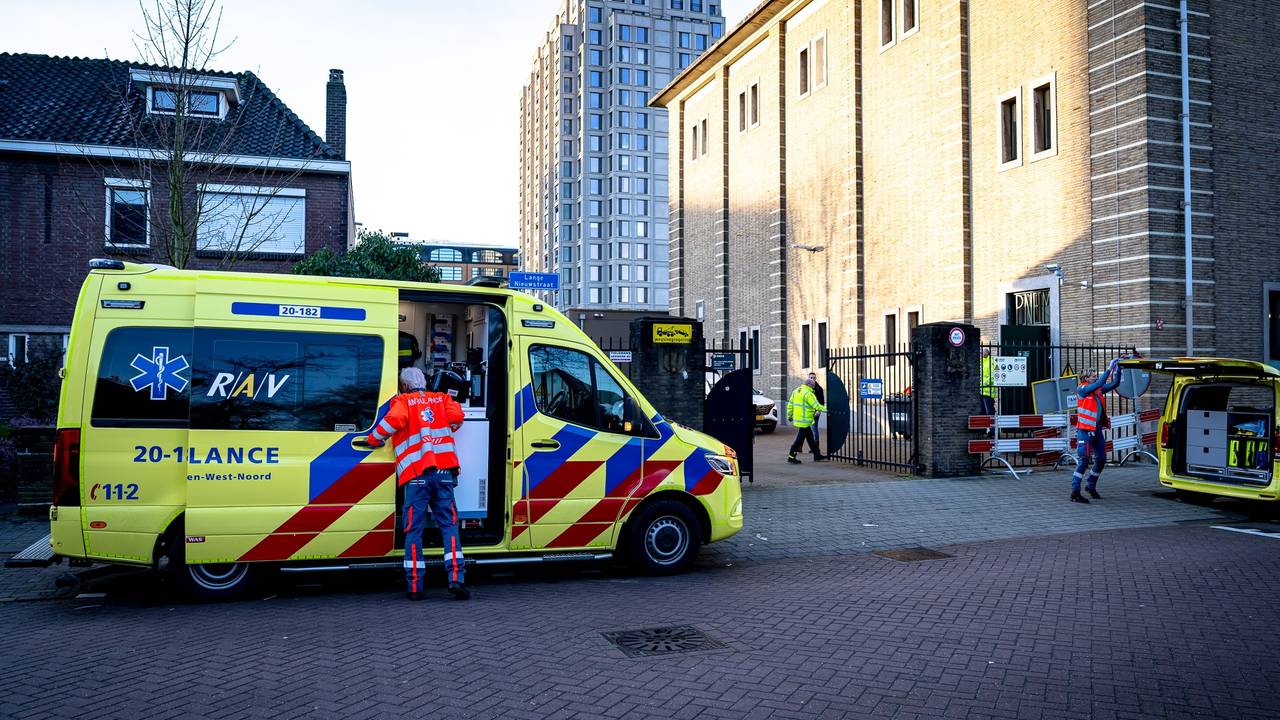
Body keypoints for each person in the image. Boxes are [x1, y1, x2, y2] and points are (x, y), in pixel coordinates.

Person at [366, 367, 470, 601]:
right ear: (424, 381)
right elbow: (457, 419)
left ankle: (414, 586)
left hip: (416, 477)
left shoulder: (402, 401)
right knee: (449, 526)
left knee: (414, 529)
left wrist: (373, 439)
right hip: (444, 473)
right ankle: (456, 579)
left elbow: (392, 422)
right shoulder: (442, 398)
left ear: (403, 385)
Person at [1070, 359, 1123, 504]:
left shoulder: (1097, 390)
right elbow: (1099, 383)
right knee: (1084, 461)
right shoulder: (1081, 389)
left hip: (1096, 430)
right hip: (1084, 431)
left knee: (1101, 460)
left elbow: (1114, 384)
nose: (1095, 377)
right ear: (1086, 378)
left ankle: (1090, 486)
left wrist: (1118, 369)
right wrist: (1108, 369)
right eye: (1093, 376)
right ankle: (1075, 492)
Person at [787, 376, 828, 464]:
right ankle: (791, 456)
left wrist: (789, 415)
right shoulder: (808, 394)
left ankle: (817, 455)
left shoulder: (796, 391)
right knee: (799, 440)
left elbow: (790, 404)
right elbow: (816, 405)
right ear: (809, 385)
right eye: (813, 386)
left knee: (810, 438)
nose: (813, 387)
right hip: (805, 421)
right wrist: (827, 409)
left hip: (799, 420)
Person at [808, 371, 826, 456]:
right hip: (807, 412)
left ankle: (816, 448)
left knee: (814, 428)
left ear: (816, 379)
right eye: (811, 378)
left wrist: (819, 411)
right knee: (805, 429)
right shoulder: (807, 388)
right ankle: (800, 447)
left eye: (814, 378)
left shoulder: (819, 389)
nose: (812, 379)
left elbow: (822, 402)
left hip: (815, 411)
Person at [980, 349, 996, 416]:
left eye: (982, 352)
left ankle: (992, 426)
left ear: (987, 353)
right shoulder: (981, 362)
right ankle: (984, 426)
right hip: (981, 391)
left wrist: (983, 383)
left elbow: (994, 376)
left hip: (988, 392)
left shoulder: (991, 362)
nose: (981, 353)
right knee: (982, 412)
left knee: (989, 412)